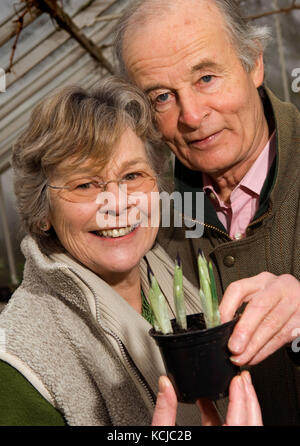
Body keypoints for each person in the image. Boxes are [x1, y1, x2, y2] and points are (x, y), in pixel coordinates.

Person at [0, 77, 261, 426]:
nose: (118, 203)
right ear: (43, 211)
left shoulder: (189, 277)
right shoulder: (20, 359)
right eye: (85, 184)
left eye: (133, 176)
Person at [113, 0, 300, 425]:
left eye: (207, 78)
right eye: (162, 97)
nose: (193, 116)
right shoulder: (151, 216)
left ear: (254, 62)